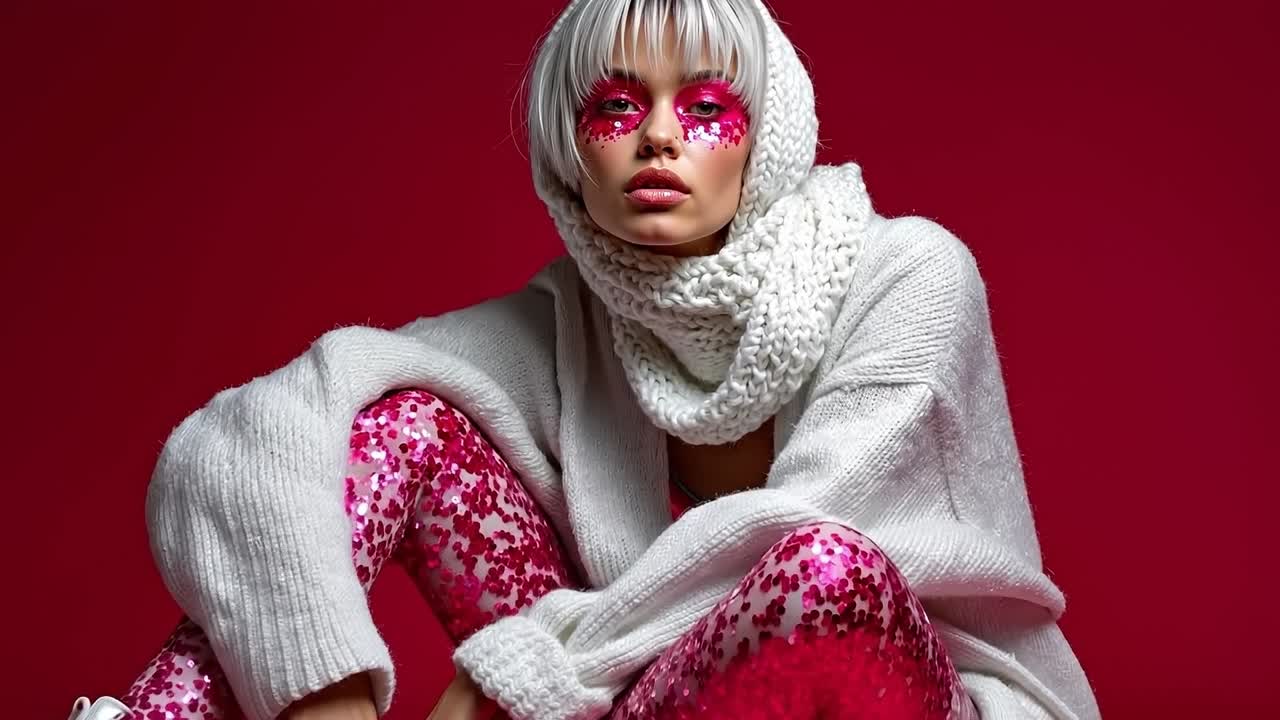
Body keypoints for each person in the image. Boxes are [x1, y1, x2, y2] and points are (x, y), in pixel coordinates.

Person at [68, 1, 1100, 719]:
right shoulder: (569, 319)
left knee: (826, 570)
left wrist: (516, 677)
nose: (658, 138)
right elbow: (248, 438)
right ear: (572, 148)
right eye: (616, 106)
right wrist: (318, 686)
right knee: (400, 421)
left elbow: (800, 537)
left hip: (892, 696)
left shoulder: (907, 274)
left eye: (705, 108)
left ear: (766, 133)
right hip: (646, 697)